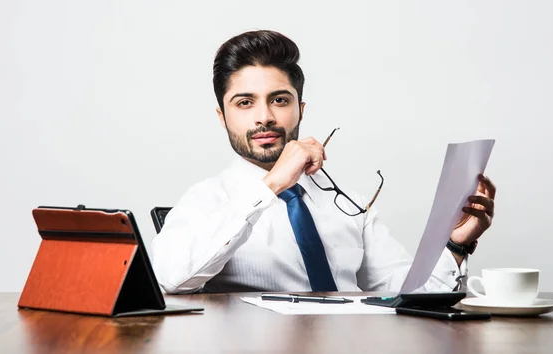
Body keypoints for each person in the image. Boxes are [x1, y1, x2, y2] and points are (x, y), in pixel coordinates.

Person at [151, 30, 496, 294]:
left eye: (280, 100)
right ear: (222, 117)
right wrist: (271, 186)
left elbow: (408, 294)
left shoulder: (347, 204)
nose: (265, 117)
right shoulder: (207, 201)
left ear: (300, 109)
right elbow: (172, 277)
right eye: (244, 103)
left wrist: (456, 244)